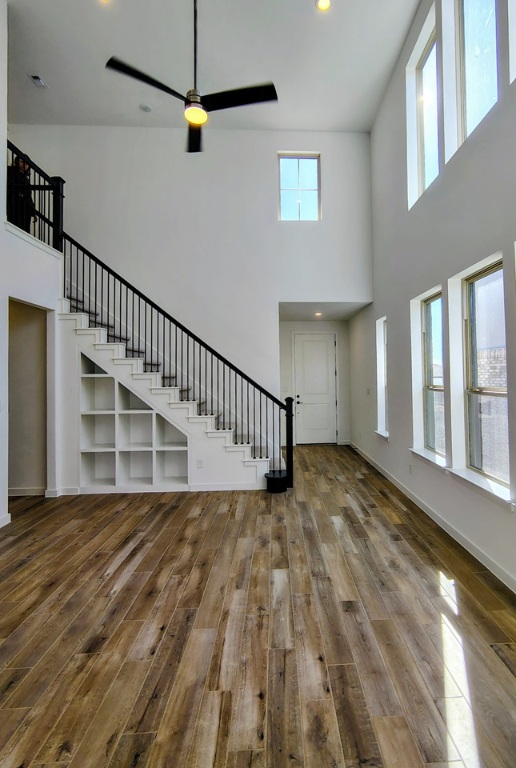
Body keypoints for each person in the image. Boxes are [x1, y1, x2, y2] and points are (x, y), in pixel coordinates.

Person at [7, 154, 36, 233]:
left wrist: (32, 211)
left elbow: (28, 195)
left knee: (25, 230)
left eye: (27, 164)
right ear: (17, 161)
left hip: (25, 208)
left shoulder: (25, 176)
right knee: (16, 228)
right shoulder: (10, 171)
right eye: (22, 162)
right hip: (15, 205)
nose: (25, 165)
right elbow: (9, 186)